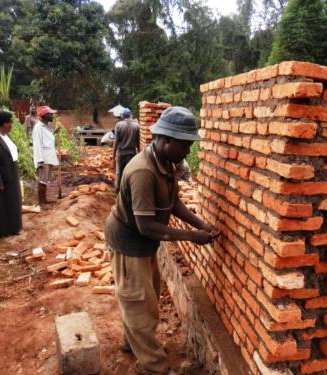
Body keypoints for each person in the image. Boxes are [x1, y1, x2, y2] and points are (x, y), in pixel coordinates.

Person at [105, 106, 219, 375]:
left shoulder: (167, 163)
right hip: (130, 242)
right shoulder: (143, 172)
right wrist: (193, 237)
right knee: (139, 304)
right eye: (185, 145)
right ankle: (152, 367)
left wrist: (200, 223)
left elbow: (172, 202)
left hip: (144, 242)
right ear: (165, 140)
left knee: (147, 298)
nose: (188, 152)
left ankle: (131, 343)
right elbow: (146, 226)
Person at [32, 106, 59, 208]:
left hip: (48, 157)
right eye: (50, 114)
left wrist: (54, 132)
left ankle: (45, 200)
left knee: (45, 179)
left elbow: (47, 138)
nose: (52, 115)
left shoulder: (46, 126)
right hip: (43, 158)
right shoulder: (38, 128)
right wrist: (40, 161)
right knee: (42, 180)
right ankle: (41, 203)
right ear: (44, 115)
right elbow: (37, 145)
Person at [112, 107, 140, 192]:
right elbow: (137, 142)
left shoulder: (119, 125)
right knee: (130, 172)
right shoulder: (136, 126)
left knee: (119, 172)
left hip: (121, 153)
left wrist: (113, 156)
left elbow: (116, 142)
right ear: (130, 115)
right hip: (132, 154)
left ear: (123, 116)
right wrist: (139, 153)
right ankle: (129, 190)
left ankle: (117, 190)